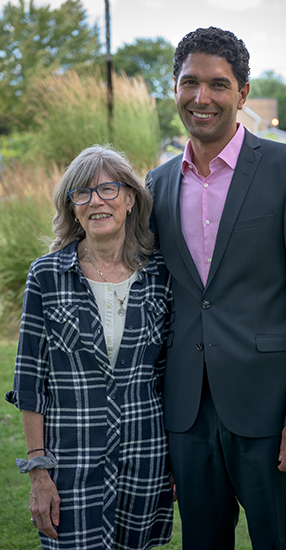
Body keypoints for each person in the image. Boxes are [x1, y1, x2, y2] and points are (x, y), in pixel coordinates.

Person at [146, 27, 286, 550]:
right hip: (186, 414)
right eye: (190, 83)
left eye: (218, 84)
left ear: (243, 93)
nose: (201, 97)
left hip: (269, 412)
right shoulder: (156, 185)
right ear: (176, 88)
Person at [6, 145, 173, 550]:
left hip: (145, 456)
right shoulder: (46, 275)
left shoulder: (160, 273)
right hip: (71, 459)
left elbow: (169, 373)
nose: (96, 201)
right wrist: (38, 472)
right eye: (82, 193)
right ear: (73, 207)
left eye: (108, 190)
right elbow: (31, 381)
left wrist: (173, 464)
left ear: (131, 199)